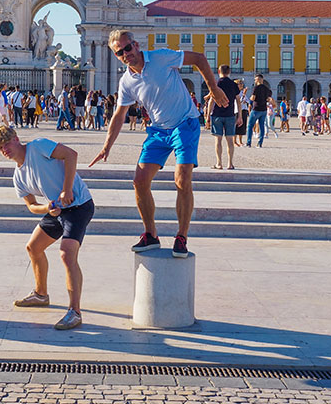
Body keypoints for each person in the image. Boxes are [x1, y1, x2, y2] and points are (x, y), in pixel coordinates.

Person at [89, 30, 227, 257]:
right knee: (139, 181)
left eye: (127, 48)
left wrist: (213, 89)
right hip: (158, 131)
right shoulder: (126, 81)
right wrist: (106, 147)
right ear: (116, 56)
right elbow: (119, 114)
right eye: (120, 52)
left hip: (185, 123)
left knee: (182, 179)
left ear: (135, 44)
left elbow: (200, 59)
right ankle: (151, 234)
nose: (126, 54)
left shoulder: (161, 57)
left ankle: (181, 237)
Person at [0, 126, 93, 330]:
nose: (5, 150)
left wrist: (67, 189)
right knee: (33, 247)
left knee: (67, 254)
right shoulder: (18, 176)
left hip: (79, 205)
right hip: (57, 209)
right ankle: (40, 294)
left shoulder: (38, 146)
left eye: (7, 143)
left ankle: (75, 312)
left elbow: (71, 155)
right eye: (0, 148)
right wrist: (48, 208)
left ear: (17, 138)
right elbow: (31, 206)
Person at [206, 65, 242, 170]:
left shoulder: (216, 84)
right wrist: (240, 116)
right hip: (230, 115)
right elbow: (238, 101)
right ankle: (230, 164)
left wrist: (207, 116)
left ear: (219, 71)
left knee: (218, 140)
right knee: (230, 140)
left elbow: (211, 101)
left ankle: (219, 163)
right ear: (229, 72)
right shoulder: (233, 84)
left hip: (217, 115)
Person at [246, 75, 272, 148]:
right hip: (264, 109)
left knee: (250, 125)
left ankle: (248, 142)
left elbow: (253, 97)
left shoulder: (256, 88)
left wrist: (250, 101)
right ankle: (260, 143)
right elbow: (268, 99)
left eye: (255, 80)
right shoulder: (267, 89)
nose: (255, 81)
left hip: (256, 109)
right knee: (261, 126)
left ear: (258, 80)